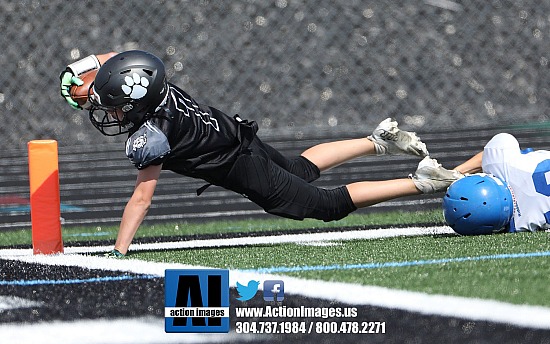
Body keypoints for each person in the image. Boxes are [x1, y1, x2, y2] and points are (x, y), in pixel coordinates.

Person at [60, 50, 463, 257]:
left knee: (327, 205)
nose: (109, 112)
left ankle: (420, 181)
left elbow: (141, 198)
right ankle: (379, 141)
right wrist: (89, 66)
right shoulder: (160, 84)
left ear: (135, 103)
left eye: (113, 106)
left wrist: (119, 251)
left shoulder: (152, 136)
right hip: (239, 136)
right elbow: (124, 59)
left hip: (241, 165)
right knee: (302, 168)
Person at [446, 132, 550, 233]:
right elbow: (487, 156)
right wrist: (453, 174)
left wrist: (450, 177)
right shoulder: (500, 163)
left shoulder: (523, 222)